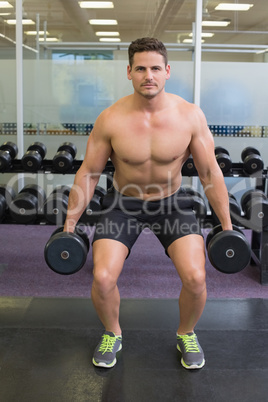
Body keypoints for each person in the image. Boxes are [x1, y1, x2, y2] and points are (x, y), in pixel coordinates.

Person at [63, 37, 232, 370]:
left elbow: (210, 172)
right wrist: (69, 226)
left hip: (172, 203)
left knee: (196, 277)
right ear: (129, 72)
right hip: (123, 204)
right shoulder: (110, 118)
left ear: (167, 71)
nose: (148, 75)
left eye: (156, 68)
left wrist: (227, 228)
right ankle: (113, 332)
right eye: (140, 68)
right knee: (103, 277)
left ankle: (187, 332)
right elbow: (88, 174)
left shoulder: (189, 116)